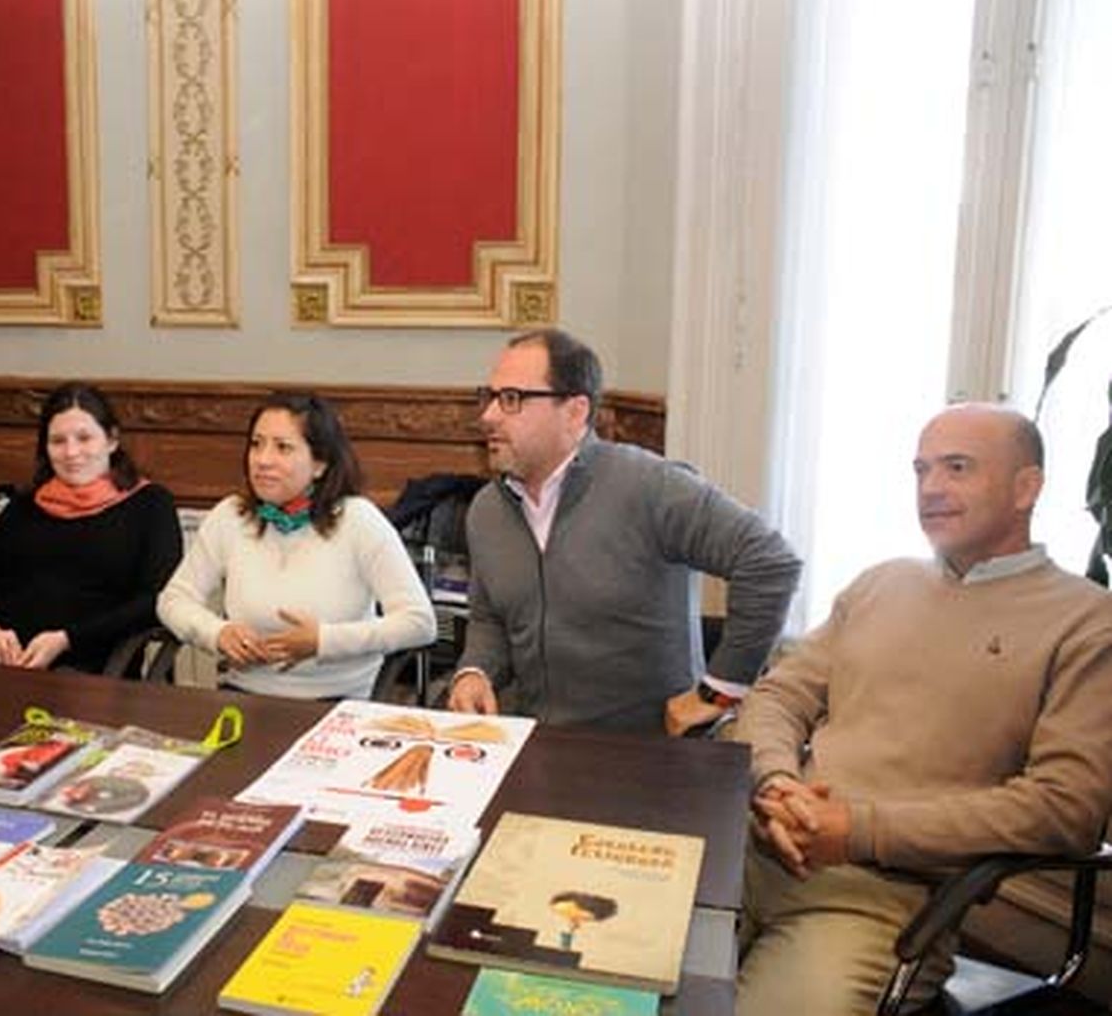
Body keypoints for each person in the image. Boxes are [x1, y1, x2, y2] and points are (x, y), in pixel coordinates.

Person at [733, 404, 1112, 1016]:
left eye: (957, 467)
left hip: (874, 897)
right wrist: (777, 781)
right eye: (921, 469)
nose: (931, 488)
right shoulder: (880, 583)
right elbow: (779, 695)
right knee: (588, 978)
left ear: (1027, 487)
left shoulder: (1086, 622)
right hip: (751, 850)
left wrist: (856, 830)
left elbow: (1064, 809)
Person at [447, 328, 800, 734]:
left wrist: (718, 692)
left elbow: (771, 562)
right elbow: (490, 617)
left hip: (652, 758)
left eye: (511, 399)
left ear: (575, 411)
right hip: (538, 747)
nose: (488, 415)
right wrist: (475, 671)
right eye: (488, 397)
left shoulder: (651, 485)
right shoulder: (487, 510)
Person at [157, 392, 435, 699]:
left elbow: (419, 622)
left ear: (320, 463)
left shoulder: (359, 520)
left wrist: (323, 641)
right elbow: (173, 600)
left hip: (340, 703)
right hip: (243, 694)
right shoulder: (230, 516)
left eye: (283, 448)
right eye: (256, 444)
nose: (262, 460)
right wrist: (217, 632)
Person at [0, 383, 182, 672]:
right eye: (58, 441)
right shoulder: (24, 507)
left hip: (100, 673)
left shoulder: (149, 504)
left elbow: (156, 601)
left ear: (111, 440)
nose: (71, 452)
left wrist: (67, 639)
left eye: (84, 438)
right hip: (9, 667)